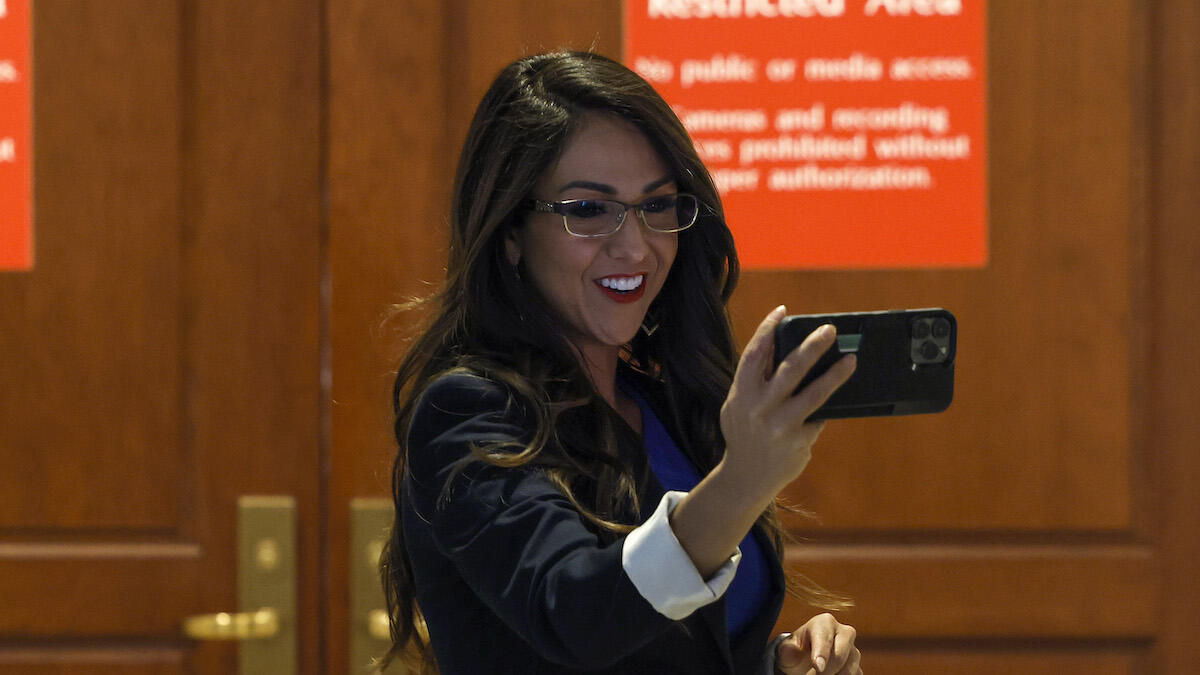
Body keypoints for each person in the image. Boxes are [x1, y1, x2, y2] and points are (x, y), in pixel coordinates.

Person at [380, 51, 863, 674]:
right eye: (587, 210)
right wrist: (743, 479)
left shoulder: (665, 403)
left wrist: (775, 667)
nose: (635, 247)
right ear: (511, 231)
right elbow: (575, 612)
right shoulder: (467, 412)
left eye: (657, 206)